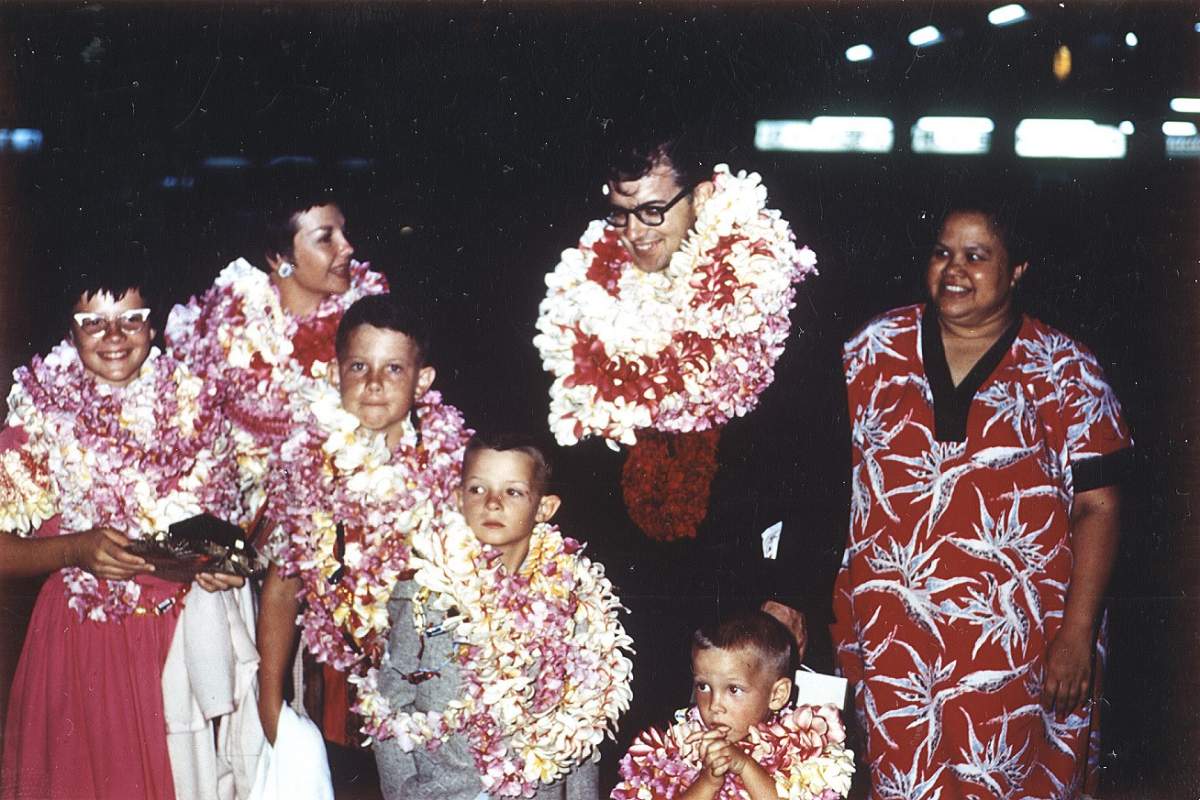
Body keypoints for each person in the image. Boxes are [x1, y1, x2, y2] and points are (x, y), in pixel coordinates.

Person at [535, 130, 842, 765]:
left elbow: (820, 462)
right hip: (632, 584)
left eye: (653, 211)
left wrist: (795, 591)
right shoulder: (589, 297)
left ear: (701, 195)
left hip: (742, 583)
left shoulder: (774, 290)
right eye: (619, 213)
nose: (635, 232)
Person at [831, 201, 1133, 798]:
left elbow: (1099, 508)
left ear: (1018, 268)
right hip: (893, 640)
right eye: (943, 252)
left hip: (1024, 649)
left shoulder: (1067, 370)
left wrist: (1076, 635)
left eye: (976, 256)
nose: (954, 270)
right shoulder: (869, 351)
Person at [0, 254, 249, 799]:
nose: (114, 336)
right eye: (93, 323)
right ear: (71, 328)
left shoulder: (197, 404)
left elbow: (231, 526)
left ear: (153, 325)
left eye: (131, 318)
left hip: (177, 643)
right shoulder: (39, 410)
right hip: (80, 646)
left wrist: (222, 565)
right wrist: (73, 550)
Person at [361, 433, 633, 799]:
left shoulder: (574, 602)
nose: (492, 503)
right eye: (477, 489)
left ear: (544, 508)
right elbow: (388, 702)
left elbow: (583, 725)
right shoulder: (424, 595)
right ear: (458, 499)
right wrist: (405, 792)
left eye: (513, 492)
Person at [255, 294, 470, 751]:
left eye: (394, 368)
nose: (374, 384)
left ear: (422, 380)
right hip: (333, 688)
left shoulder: (456, 469)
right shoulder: (304, 465)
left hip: (431, 694)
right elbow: (282, 585)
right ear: (335, 374)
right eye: (359, 367)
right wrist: (269, 698)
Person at [610, 610, 854, 800]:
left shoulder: (802, 748)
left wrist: (745, 766)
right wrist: (708, 781)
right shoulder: (680, 746)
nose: (714, 705)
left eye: (734, 690)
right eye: (703, 686)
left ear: (777, 694)